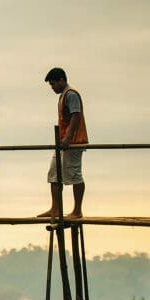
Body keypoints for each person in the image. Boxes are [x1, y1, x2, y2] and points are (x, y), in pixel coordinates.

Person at [38, 67, 88, 219]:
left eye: (53, 84)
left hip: (73, 142)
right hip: (63, 142)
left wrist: (68, 138)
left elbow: (75, 116)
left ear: (61, 80)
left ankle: (77, 211)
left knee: (74, 175)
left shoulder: (71, 94)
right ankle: (55, 209)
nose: (52, 87)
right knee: (54, 174)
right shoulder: (63, 96)